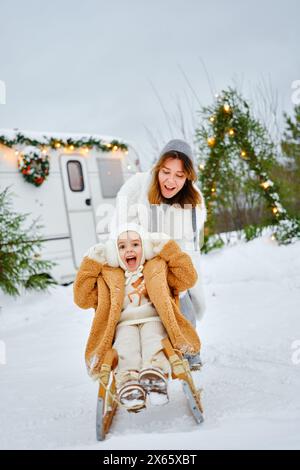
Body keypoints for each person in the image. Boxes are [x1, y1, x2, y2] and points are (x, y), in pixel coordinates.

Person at [73, 223, 201, 412]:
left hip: (154, 319)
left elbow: (188, 278)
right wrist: (91, 263)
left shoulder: (158, 267)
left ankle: (155, 376)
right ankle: (129, 383)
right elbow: (82, 299)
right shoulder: (108, 277)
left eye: (135, 244)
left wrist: (168, 248)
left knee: (153, 340)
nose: (129, 250)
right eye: (122, 246)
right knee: (125, 345)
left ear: (146, 247)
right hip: (123, 324)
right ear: (113, 253)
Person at [109, 139, 207, 369]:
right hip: (137, 262)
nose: (171, 181)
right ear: (157, 169)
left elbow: (186, 249)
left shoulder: (191, 204)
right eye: (166, 172)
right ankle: (132, 359)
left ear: (188, 178)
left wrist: (176, 273)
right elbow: (121, 235)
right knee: (137, 305)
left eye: (179, 175)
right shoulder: (136, 190)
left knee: (182, 294)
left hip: (171, 265)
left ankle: (186, 345)